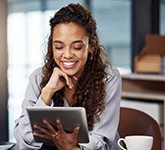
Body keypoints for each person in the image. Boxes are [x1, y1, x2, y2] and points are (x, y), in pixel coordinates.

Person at [13, 3, 121, 150]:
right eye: (59, 47)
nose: (68, 55)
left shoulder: (108, 78)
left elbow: (102, 140)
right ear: (51, 46)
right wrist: (47, 92)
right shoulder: (39, 77)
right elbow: (23, 141)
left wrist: (73, 148)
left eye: (77, 47)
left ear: (92, 45)